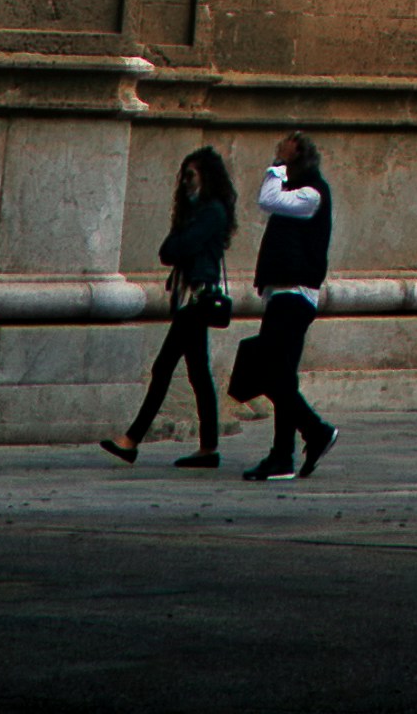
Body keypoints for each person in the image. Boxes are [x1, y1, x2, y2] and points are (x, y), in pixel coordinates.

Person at [103, 145, 239, 468]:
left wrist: (177, 242)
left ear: (206, 176)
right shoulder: (199, 212)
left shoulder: (210, 212)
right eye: (184, 177)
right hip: (188, 299)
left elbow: (176, 248)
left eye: (191, 176)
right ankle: (208, 448)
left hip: (195, 300)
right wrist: (176, 243)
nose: (185, 183)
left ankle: (131, 440)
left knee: (164, 368)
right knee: (198, 374)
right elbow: (169, 250)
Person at [240, 132, 335, 479]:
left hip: (295, 296)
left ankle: (316, 430)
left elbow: (267, 199)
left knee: (270, 373)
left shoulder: (311, 194)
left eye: (284, 148)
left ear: (297, 157)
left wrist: (275, 168)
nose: (277, 149)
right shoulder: (299, 192)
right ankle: (282, 456)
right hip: (282, 294)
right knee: (281, 376)